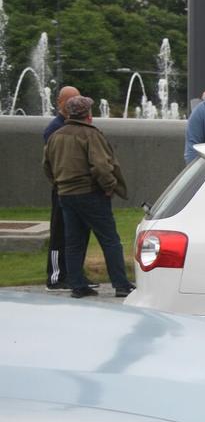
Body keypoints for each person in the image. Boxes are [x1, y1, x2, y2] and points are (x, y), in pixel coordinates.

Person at [43, 96, 134, 299]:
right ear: (87, 114)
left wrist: (59, 184)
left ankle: (78, 286)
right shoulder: (90, 134)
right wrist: (110, 186)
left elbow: (46, 166)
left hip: (65, 195)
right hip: (90, 194)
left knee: (73, 242)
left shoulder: (56, 136)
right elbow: (101, 166)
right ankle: (121, 284)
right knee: (110, 240)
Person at [41, 86, 96, 291]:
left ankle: (75, 274)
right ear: (60, 103)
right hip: (63, 189)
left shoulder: (77, 126)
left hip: (78, 189)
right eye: (71, 100)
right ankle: (55, 276)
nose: (75, 103)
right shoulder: (54, 129)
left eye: (78, 99)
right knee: (59, 233)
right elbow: (51, 163)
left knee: (78, 233)